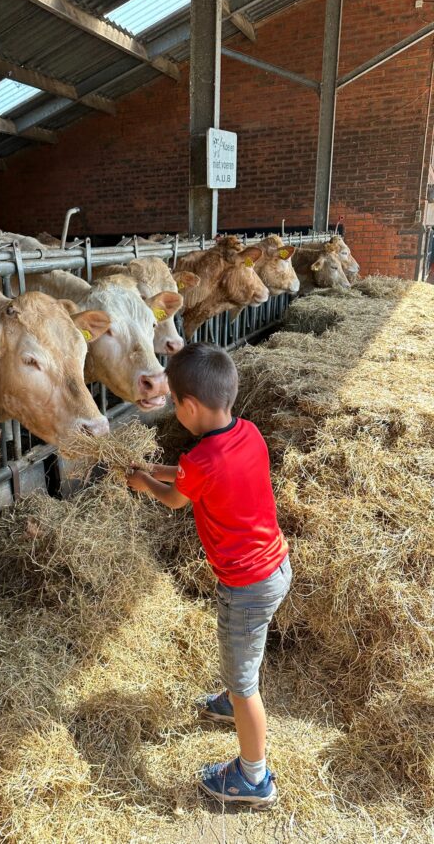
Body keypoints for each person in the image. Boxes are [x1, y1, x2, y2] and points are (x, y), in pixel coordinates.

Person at [126, 342, 291, 809]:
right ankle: (229, 698)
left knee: (245, 685)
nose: (176, 408)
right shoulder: (249, 433)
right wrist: (157, 469)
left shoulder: (201, 461)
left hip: (247, 585)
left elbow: (177, 497)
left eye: (175, 402)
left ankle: (254, 778)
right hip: (276, 565)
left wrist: (144, 483)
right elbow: (192, 475)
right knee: (240, 654)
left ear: (189, 406)